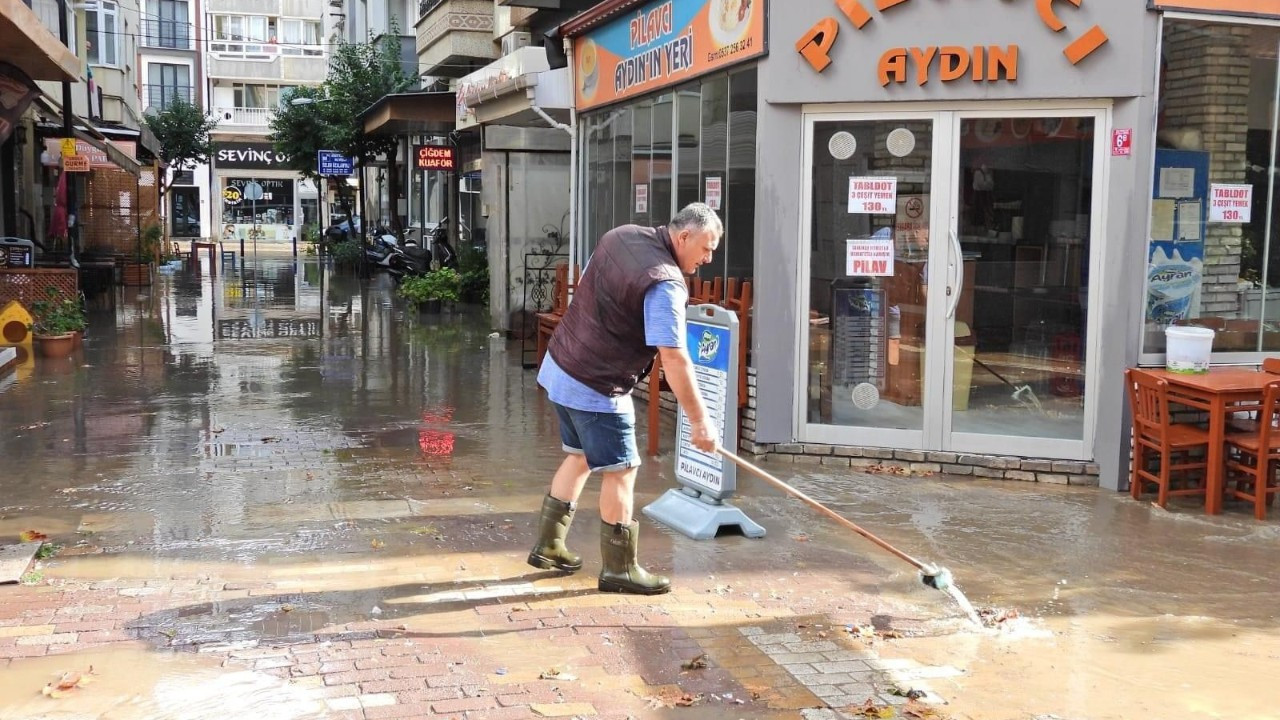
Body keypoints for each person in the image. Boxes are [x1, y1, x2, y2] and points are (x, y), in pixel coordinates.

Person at [528, 203, 723, 595]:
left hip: (560, 366)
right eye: (706, 248)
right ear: (683, 237)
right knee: (622, 470)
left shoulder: (622, 235)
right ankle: (620, 569)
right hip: (596, 383)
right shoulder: (665, 282)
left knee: (580, 456)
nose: (708, 258)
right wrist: (700, 421)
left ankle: (549, 547)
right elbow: (674, 356)